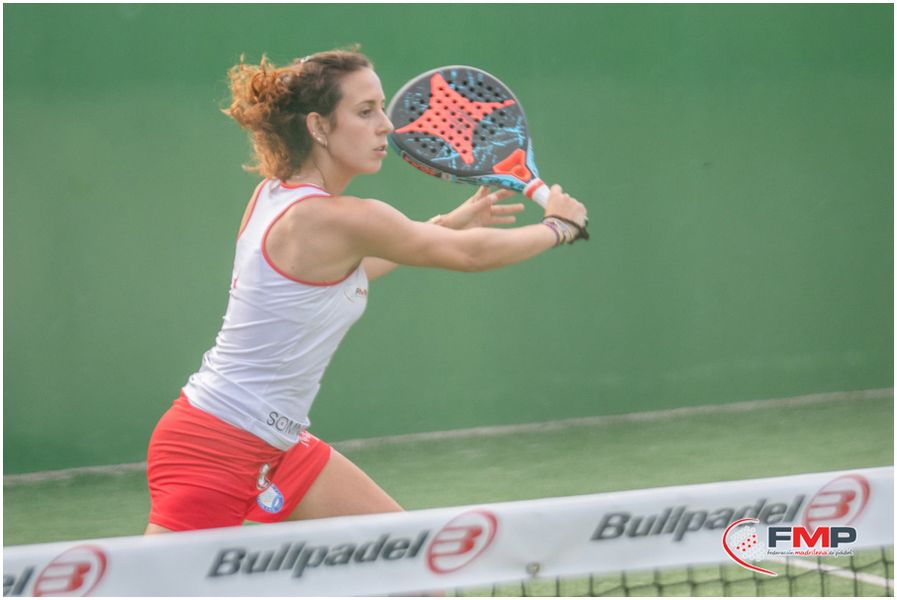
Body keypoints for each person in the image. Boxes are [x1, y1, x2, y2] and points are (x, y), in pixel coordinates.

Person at [145, 48, 588, 534]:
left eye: (381, 107)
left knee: (414, 558)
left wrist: (446, 224)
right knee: (148, 577)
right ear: (318, 126)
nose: (387, 126)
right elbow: (470, 256)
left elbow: (344, 271)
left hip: (277, 445)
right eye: (365, 111)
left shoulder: (278, 195)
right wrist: (558, 227)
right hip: (212, 446)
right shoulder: (335, 218)